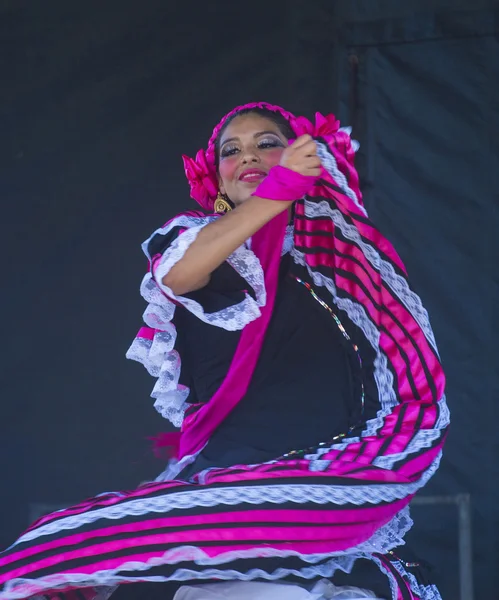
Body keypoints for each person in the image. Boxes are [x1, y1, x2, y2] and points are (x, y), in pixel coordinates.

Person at [0, 103, 449, 600]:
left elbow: (401, 368)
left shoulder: (340, 258)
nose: (248, 156)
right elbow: (178, 275)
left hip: (332, 481)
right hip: (236, 485)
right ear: (216, 177)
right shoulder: (195, 238)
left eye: (267, 143)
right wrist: (277, 193)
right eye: (231, 151)